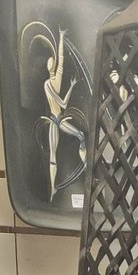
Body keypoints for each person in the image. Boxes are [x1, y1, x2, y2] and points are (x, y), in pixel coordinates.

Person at [43, 28, 86, 201]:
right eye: (51, 65)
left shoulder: (56, 79)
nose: (53, 66)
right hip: (55, 120)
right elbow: (63, 103)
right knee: (53, 155)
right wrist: (72, 87)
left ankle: (85, 167)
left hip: (59, 119)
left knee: (80, 135)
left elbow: (61, 59)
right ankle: (53, 189)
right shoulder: (48, 84)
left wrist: (61, 37)